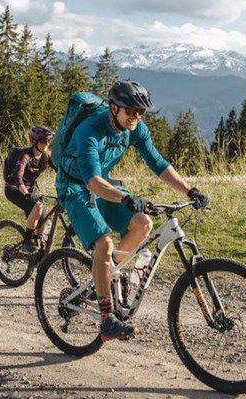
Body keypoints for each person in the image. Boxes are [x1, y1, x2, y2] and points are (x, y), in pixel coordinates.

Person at [56, 80, 210, 342]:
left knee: (143, 223)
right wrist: (126, 198)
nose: (136, 117)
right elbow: (92, 182)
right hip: (75, 187)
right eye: (131, 111)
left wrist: (189, 191)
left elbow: (158, 163)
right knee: (104, 243)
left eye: (141, 112)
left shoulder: (135, 128)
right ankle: (106, 320)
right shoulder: (90, 130)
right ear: (114, 108)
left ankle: (105, 274)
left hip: (104, 185)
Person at [4, 125, 53, 254]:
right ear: (34, 141)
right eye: (43, 141)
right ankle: (27, 242)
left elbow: (60, 168)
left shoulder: (46, 155)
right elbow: (17, 176)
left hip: (31, 189)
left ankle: (37, 248)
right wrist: (25, 194)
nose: (47, 144)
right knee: (37, 206)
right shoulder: (25, 155)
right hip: (14, 189)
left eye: (49, 140)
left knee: (45, 216)